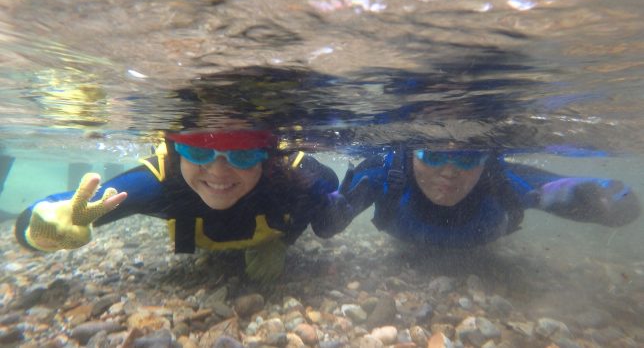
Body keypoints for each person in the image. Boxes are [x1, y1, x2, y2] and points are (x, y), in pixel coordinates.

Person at [13, 130, 362, 283]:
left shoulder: (299, 176)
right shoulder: (161, 181)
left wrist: (285, 242)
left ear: (267, 158)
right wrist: (40, 228)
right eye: (197, 151)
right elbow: (61, 211)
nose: (219, 172)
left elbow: (328, 211)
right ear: (177, 151)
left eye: (241, 154)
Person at [324, 147, 640, 248]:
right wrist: (331, 216)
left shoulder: (501, 183)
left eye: (467, 156)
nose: (450, 172)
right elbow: (325, 225)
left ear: (485, 160)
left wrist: (597, 202)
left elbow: (621, 202)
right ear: (410, 154)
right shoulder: (386, 175)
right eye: (433, 155)